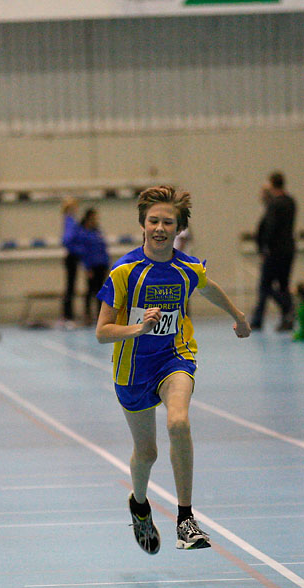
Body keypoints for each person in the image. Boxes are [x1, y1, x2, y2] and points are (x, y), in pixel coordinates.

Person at [95, 186, 250, 554]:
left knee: (178, 422)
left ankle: (185, 519)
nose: (160, 228)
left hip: (174, 357)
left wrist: (239, 316)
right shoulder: (125, 272)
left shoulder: (187, 268)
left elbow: (207, 288)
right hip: (133, 369)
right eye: (153, 221)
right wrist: (138, 329)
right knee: (146, 453)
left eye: (168, 222)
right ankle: (139, 504)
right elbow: (102, 332)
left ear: (179, 228)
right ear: (143, 224)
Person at [250, 172, 297, 331]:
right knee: (283, 285)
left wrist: (264, 248)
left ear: (271, 184)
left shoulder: (274, 204)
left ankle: (288, 307)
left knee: (265, 285)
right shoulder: (291, 202)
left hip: (274, 251)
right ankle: (286, 319)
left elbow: (269, 228)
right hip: (288, 249)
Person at [74, 208, 110, 325]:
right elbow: (84, 252)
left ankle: (100, 315)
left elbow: (103, 248)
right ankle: (87, 315)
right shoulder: (83, 233)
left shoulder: (97, 231)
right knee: (90, 291)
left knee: (101, 291)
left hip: (101, 265)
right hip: (92, 266)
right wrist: (87, 267)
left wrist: (107, 263)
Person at [60, 198, 82, 325]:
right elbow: (67, 240)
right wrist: (78, 249)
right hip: (72, 256)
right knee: (70, 287)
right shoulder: (70, 221)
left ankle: (68, 315)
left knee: (71, 286)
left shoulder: (70, 220)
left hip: (74, 256)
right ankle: (67, 316)